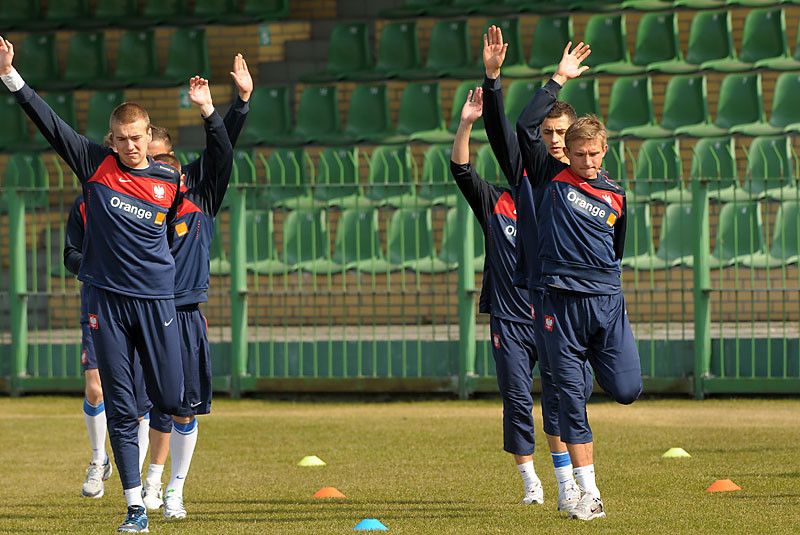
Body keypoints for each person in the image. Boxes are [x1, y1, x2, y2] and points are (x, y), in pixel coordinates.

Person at [1, 35, 188, 533]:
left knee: (171, 398)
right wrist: (10, 77)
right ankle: (135, 506)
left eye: (138, 137)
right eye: (122, 139)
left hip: (157, 302)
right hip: (107, 304)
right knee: (122, 408)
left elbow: (178, 235)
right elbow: (49, 124)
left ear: (150, 136)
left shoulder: (170, 182)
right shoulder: (94, 166)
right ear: (111, 140)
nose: (130, 145)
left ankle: (158, 477)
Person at [516, 41, 643, 521]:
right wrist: (559, 79)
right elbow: (525, 124)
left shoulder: (615, 193)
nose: (587, 161)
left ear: (604, 150)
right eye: (579, 153)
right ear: (565, 150)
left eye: (594, 153)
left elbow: (617, 249)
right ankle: (586, 493)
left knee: (628, 389)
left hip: (607, 301)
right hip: (559, 303)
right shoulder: (551, 176)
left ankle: (586, 371)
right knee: (568, 398)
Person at [480, 25, 587, 512]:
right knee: (532, 398)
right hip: (529, 300)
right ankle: (555, 485)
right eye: (548, 134)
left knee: (571, 396)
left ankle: (575, 482)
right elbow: (507, 130)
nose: (554, 141)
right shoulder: (533, 172)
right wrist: (494, 78)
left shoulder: (588, 179)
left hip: (573, 302)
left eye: (561, 133)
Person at [140, 55, 249, 517]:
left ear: (178, 167)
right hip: (143, 310)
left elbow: (222, 152)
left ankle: (172, 491)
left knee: (183, 407)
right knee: (141, 405)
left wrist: (220, 107)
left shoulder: (200, 197)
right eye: (153, 162)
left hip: (184, 314)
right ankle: (139, 480)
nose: (162, 169)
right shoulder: (137, 204)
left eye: (167, 161)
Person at [450, 87, 551, 505]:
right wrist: (466, 125)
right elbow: (460, 169)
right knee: (516, 397)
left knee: (567, 395)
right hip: (508, 321)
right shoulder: (493, 199)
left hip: (550, 316)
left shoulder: (550, 198)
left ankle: (568, 475)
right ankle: (531, 481)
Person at [64, 192, 153, 500]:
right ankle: (98, 458)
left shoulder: (143, 200)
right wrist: (92, 265)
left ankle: (137, 476)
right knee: (95, 388)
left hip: (139, 306)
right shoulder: (84, 203)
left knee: (141, 403)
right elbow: (70, 253)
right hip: (96, 303)